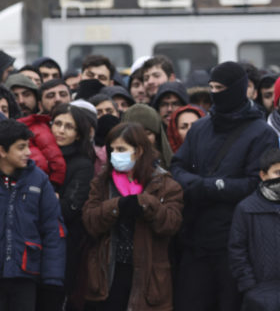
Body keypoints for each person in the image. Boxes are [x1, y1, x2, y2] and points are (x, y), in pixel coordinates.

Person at [171, 61, 278, 311]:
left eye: (220, 88)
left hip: (236, 246)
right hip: (196, 241)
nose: (214, 93)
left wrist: (209, 187)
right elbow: (177, 167)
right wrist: (201, 185)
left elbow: (256, 184)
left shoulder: (262, 134)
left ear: (237, 89)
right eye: (212, 87)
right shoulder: (199, 129)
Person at [82, 122, 183, 309]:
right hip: (108, 274)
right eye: (112, 150)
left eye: (121, 149)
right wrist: (116, 205)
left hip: (147, 277)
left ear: (139, 151)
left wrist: (147, 204)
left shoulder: (165, 184)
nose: (115, 155)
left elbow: (171, 223)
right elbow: (90, 221)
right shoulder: (103, 182)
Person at [228, 149, 280, 311]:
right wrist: (249, 286)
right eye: (278, 172)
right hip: (259, 295)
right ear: (263, 175)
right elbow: (237, 250)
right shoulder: (246, 209)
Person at [0, 119, 66, 310]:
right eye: (21, 148)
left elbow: (53, 229)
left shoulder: (39, 180)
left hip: (26, 274)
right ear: (2, 150)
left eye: (28, 146)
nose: (28, 153)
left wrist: (52, 278)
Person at [50, 104, 96, 308]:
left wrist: (45, 197)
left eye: (69, 126)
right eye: (57, 123)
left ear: (78, 135)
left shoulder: (82, 164)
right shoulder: (37, 157)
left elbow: (69, 209)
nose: (60, 130)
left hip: (63, 248)